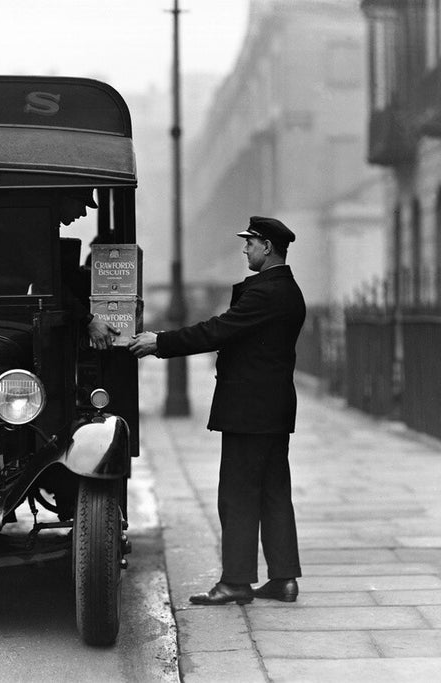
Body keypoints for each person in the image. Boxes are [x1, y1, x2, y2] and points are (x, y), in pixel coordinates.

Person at [128, 216, 305, 606]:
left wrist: (160, 342)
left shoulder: (266, 293)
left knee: (238, 495)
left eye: (250, 243)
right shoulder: (288, 290)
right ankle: (284, 578)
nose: (245, 249)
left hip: (249, 409)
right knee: (274, 492)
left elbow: (217, 330)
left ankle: (236, 582)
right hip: (273, 408)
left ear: (268, 247)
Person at [58, 189, 120, 350]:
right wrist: (88, 319)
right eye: (82, 204)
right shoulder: (39, 231)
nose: (83, 213)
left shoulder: (43, 229)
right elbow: (48, 283)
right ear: (66, 200)